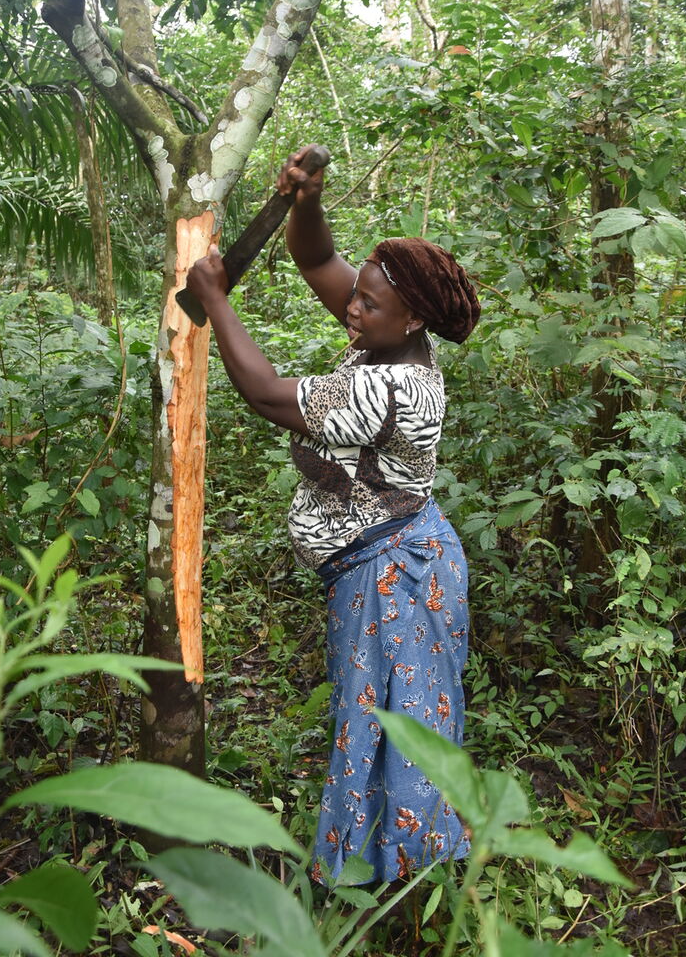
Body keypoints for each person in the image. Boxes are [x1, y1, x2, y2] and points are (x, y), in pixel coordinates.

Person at [186, 146, 480, 885]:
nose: (352, 307)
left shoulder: (396, 389)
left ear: (413, 317)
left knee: (399, 726)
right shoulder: (383, 327)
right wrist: (305, 199)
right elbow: (319, 261)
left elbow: (264, 394)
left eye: (368, 303)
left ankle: (405, 886)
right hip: (376, 567)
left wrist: (216, 299)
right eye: (359, 294)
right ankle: (381, 876)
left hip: (398, 572)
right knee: (378, 717)